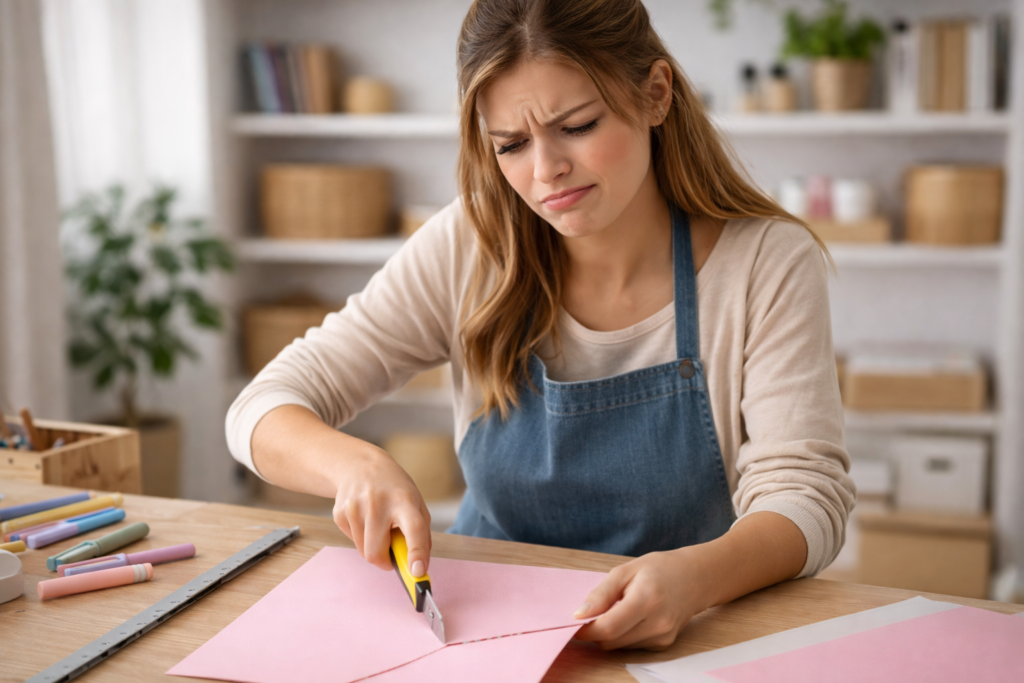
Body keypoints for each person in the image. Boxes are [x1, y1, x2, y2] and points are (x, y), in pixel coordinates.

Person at [227, 0, 854, 651]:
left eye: (577, 125)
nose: (545, 169)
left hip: (685, 636)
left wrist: (697, 577)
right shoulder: (470, 244)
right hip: (482, 641)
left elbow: (807, 497)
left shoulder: (765, 261)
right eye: (512, 144)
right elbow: (260, 407)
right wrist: (353, 465)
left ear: (656, 95)